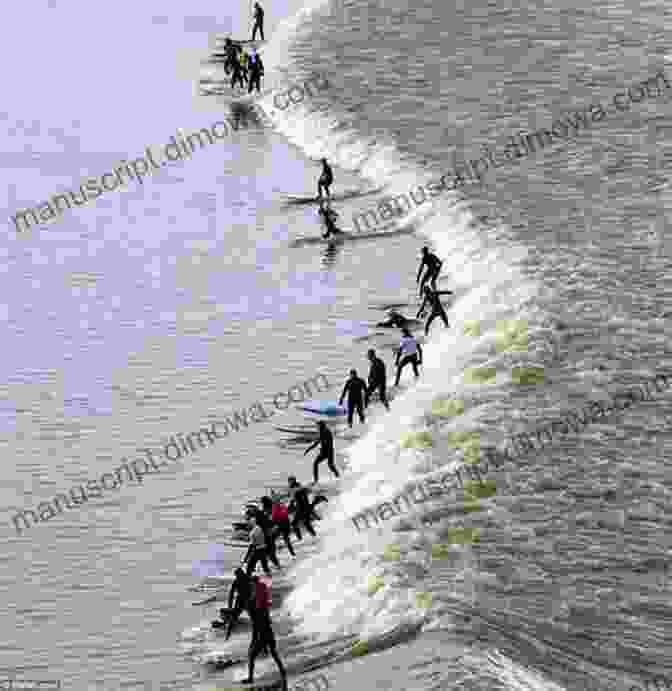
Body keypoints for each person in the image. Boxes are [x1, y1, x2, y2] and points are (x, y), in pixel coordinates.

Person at [240, 575, 287, 690]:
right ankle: (282, 672)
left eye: (252, 585)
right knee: (274, 653)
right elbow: (258, 599)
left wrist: (255, 643)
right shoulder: (262, 605)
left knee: (251, 656)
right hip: (269, 633)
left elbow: (257, 628)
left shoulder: (257, 610)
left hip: (263, 635)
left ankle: (250, 678)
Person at [224, 567, 253, 639]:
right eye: (237, 576)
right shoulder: (237, 581)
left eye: (238, 575)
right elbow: (231, 593)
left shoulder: (248, 579)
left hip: (248, 600)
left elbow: (255, 589)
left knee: (255, 617)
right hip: (241, 601)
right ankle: (227, 636)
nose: (237, 577)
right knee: (233, 617)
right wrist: (230, 606)